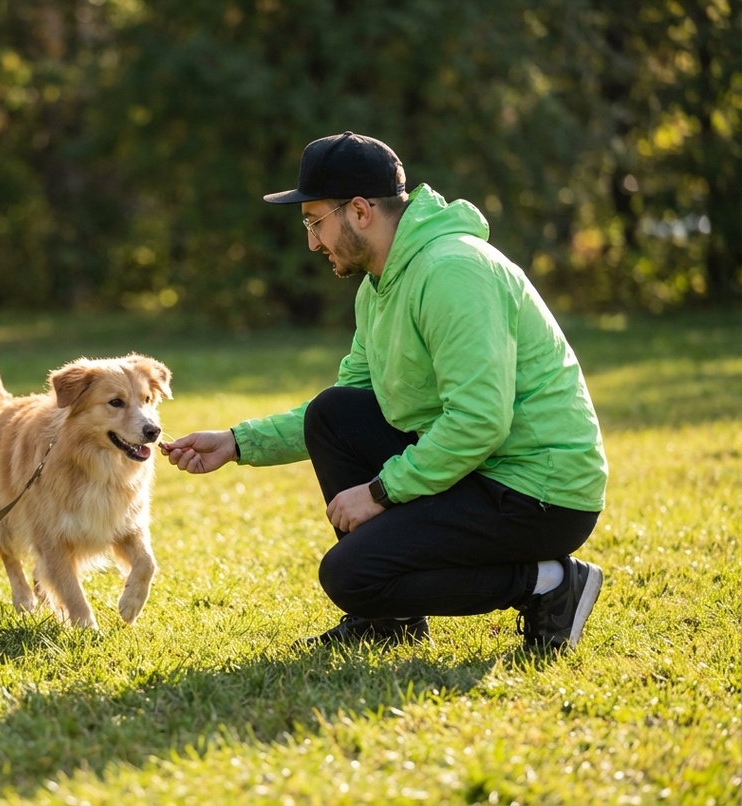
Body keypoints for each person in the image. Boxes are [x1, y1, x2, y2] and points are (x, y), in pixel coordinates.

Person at [161, 132, 608, 651]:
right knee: (333, 415)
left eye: (314, 222)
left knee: (349, 575)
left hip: (538, 492)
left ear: (358, 211)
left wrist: (379, 493)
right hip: (483, 471)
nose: (311, 242)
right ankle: (389, 620)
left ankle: (552, 584)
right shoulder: (380, 289)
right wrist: (238, 442)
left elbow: (480, 421)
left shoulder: (452, 271)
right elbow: (347, 407)